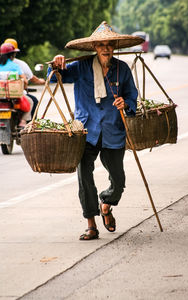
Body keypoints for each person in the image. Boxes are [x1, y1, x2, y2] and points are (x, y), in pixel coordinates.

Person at [48, 21, 143, 240]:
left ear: (114, 46)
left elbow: (132, 97)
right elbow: (54, 78)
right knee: (85, 178)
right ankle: (91, 224)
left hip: (113, 130)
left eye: (109, 44)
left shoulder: (122, 69)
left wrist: (125, 103)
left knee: (118, 181)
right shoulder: (81, 67)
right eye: (101, 44)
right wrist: (55, 65)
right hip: (86, 131)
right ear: (94, 47)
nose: (106, 48)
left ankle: (106, 204)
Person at [4, 38, 45, 117]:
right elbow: (28, 80)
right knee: (33, 101)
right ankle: (27, 124)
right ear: (14, 53)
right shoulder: (17, 65)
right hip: (15, 94)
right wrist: (42, 81)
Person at [0, 42, 33, 127]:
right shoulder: (15, 66)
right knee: (30, 102)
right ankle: (23, 121)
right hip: (13, 96)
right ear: (12, 55)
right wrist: (25, 87)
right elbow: (25, 81)